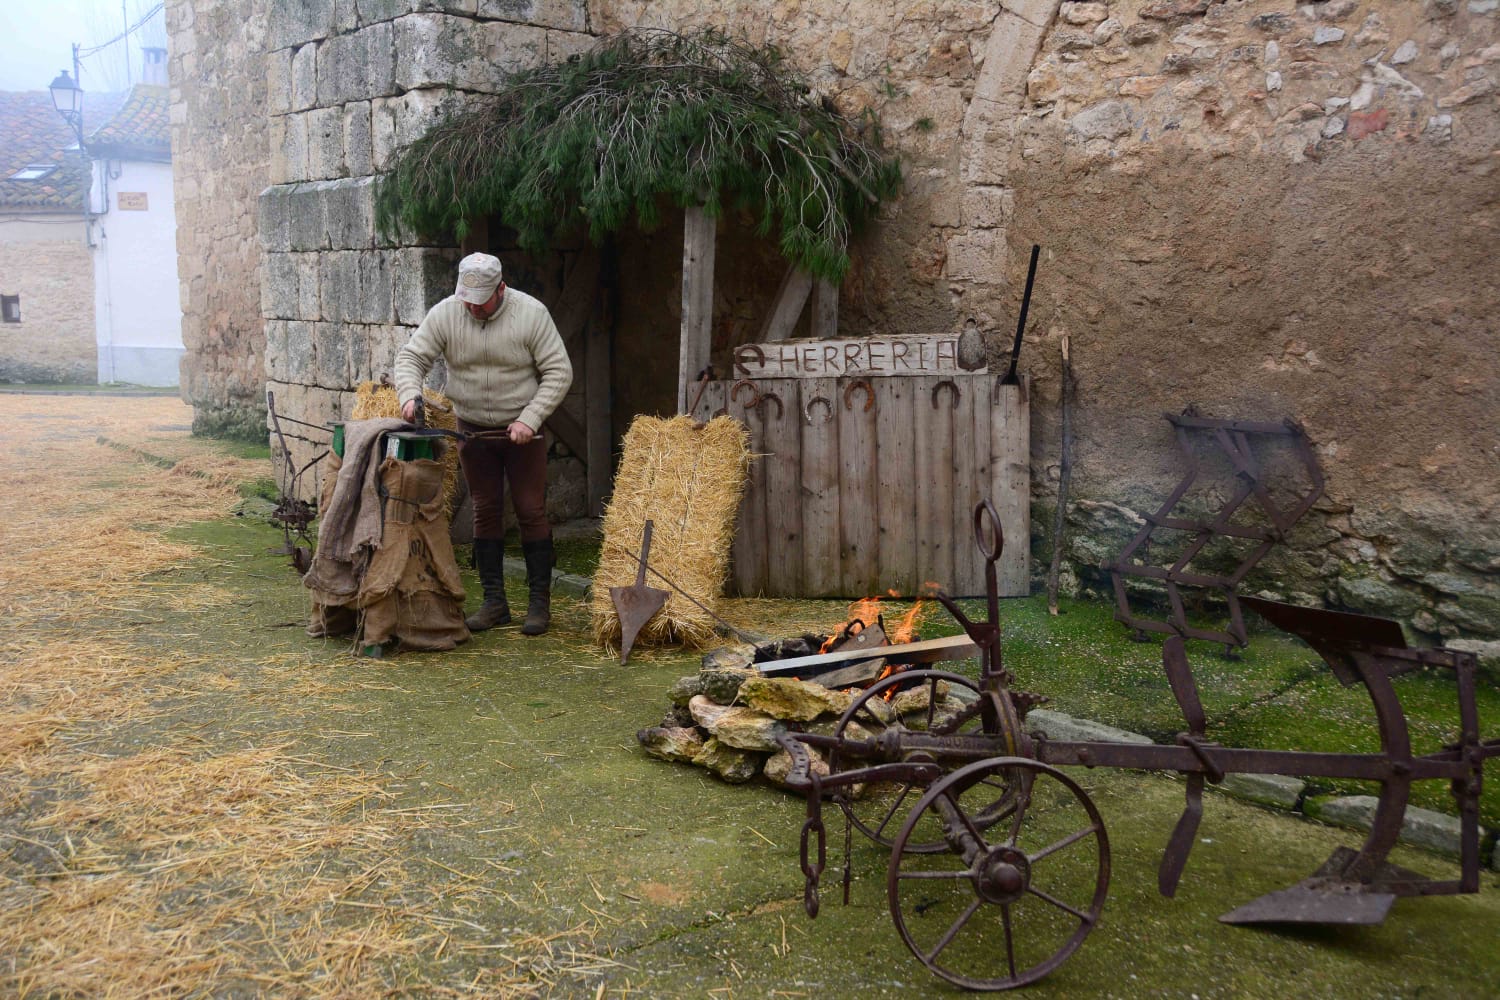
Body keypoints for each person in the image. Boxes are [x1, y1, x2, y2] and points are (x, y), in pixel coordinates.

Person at [394, 252, 573, 636]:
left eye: (482, 302)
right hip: (472, 430)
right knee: (485, 509)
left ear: (500, 289)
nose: (474, 309)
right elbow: (411, 357)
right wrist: (410, 395)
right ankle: (495, 603)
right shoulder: (446, 313)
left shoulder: (531, 314)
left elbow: (559, 370)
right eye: (468, 302)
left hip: (522, 430)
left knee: (530, 509)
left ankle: (539, 605)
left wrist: (530, 417)